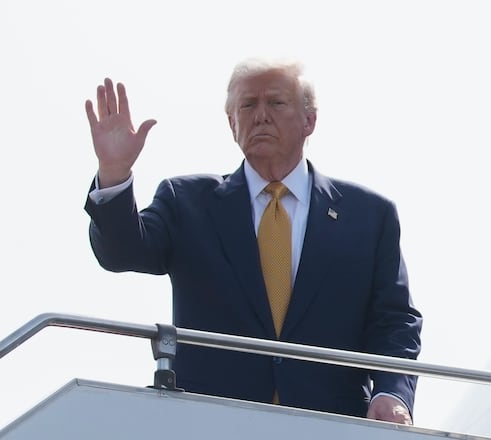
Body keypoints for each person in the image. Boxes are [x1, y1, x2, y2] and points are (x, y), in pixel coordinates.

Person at [83, 58, 422, 424]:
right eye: (248, 105)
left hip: (331, 423)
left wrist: (392, 392)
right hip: (212, 423)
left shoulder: (369, 215)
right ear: (232, 124)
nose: (260, 116)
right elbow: (120, 252)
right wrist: (114, 175)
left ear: (310, 120)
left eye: (275, 103)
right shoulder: (187, 202)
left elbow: (395, 320)